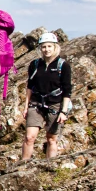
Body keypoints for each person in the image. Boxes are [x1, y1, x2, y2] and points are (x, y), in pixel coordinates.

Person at [22, 32, 72, 160]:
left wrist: (63, 111)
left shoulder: (63, 66)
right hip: (36, 104)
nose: (46, 49)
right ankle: (23, 166)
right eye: (44, 47)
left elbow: (67, 90)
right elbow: (30, 86)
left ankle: (49, 165)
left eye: (49, 46)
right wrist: (26, 107)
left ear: (55, 47)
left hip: (55, 105)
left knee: (51, 139)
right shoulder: (34, 65)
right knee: (29, 137)